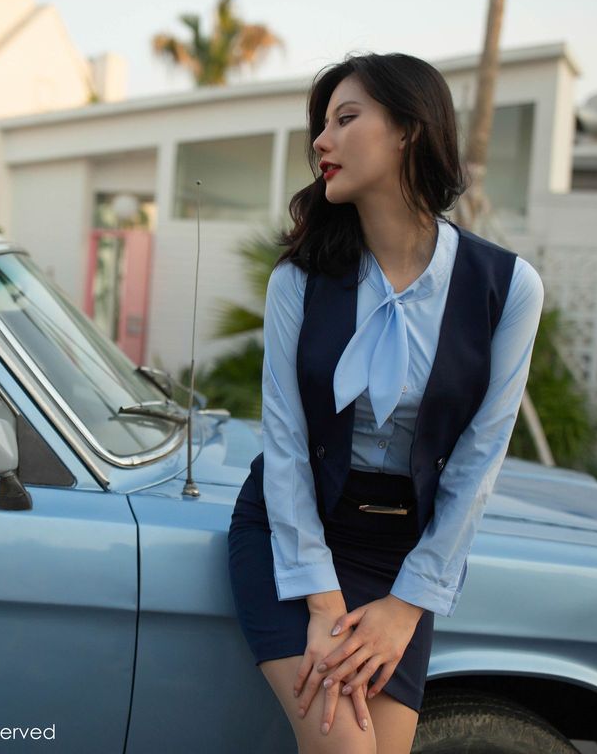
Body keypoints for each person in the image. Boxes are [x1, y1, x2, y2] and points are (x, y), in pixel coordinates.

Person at [227, 52, 545, 754]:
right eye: (322, 125)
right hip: (293, 537)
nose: (321, 141)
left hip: (404, 561)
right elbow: (283, 444)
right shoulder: (299, 280)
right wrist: (323, 604)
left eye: (345, 120)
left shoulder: (508, 287)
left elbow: (477, 461)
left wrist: (405, 607)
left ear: (407, 130)